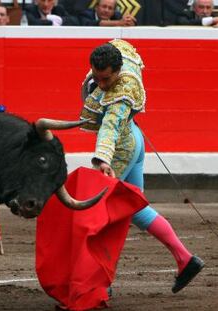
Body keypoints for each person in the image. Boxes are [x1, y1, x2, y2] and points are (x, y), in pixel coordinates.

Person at [79, 39, 204, 294]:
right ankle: (185, 259)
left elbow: (110, 127)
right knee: (135, 208)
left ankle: (101, 280)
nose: (101, 84)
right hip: (136, 138)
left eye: (105, 79)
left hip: (121, 149)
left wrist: (103, 159)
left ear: (117, 71)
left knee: (99, 212)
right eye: (97, 77)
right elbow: (119, 44)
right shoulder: (119, 56)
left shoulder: (120, 94)